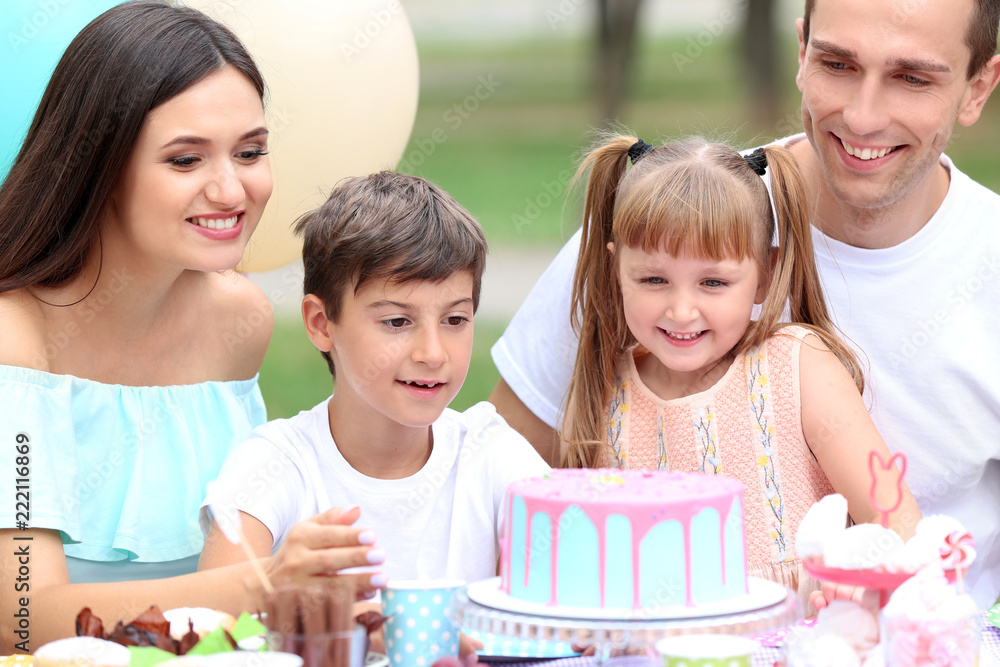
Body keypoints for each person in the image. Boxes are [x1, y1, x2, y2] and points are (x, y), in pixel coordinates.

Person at [490, 0, 1000, 609]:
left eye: (912, 77)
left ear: (978, 88)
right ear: (802, 53)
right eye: (837, 63)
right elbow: (498, 478)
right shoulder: (663, 224)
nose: (864, 117)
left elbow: (899, 526)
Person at [0, 1, 378, 653]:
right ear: (101, 168)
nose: (231, 190)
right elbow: (22, 617)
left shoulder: (240, 318)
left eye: (251, 151)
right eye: (185, 160)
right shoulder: (16, 338)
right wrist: (262, 587)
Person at [198, 171, 551, 662]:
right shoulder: (276, 465)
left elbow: (565, 607)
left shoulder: (493, 453)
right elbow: (205, 632)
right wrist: (324, 630)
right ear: (322, 324)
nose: (433, 352)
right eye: (397, 322)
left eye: (455, 319)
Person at [562, 134, 919, 605]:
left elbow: (895, 522)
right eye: (653, 280)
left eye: (713, 282)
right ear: (616, 271)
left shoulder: (797, 365)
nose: (682, 310)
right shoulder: (606, 390)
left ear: (764, 275)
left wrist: (865, 581)